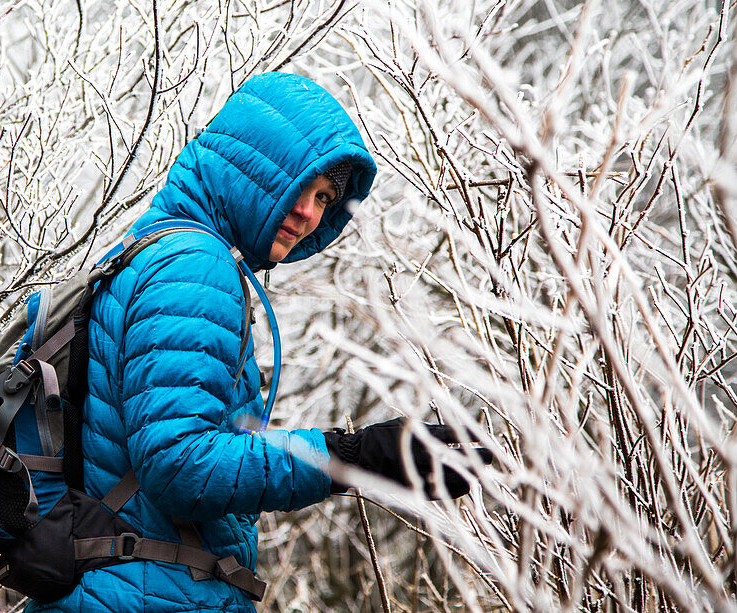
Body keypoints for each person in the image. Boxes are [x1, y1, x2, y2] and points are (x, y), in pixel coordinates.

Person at [30, 71, 479, 612]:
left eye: (325, 198)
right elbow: (179, 465)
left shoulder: (152, 245)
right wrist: (349, 457)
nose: (309, 213)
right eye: (302, 184)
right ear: (258, 162)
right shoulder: (194, 269)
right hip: (148, 593)